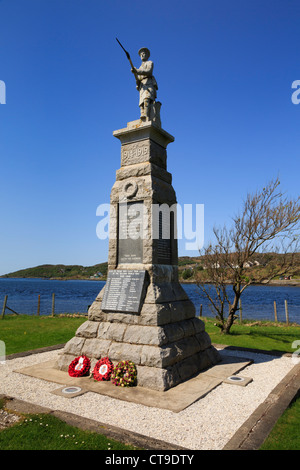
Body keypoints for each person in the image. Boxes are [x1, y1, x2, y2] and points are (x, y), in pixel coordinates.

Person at [131, 47, 158, 121]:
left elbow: (149, 71)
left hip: (149, 83)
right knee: (141, 103)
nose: (142, 55)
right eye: (141, 54)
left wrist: (137, 71)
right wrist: (137, 79)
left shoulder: (150, 62)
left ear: (147, 55)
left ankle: (146, 115)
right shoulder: (140, 67)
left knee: (147, 98)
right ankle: (142, 115)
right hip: (142, 85)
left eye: (144, 53)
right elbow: (139, 78)